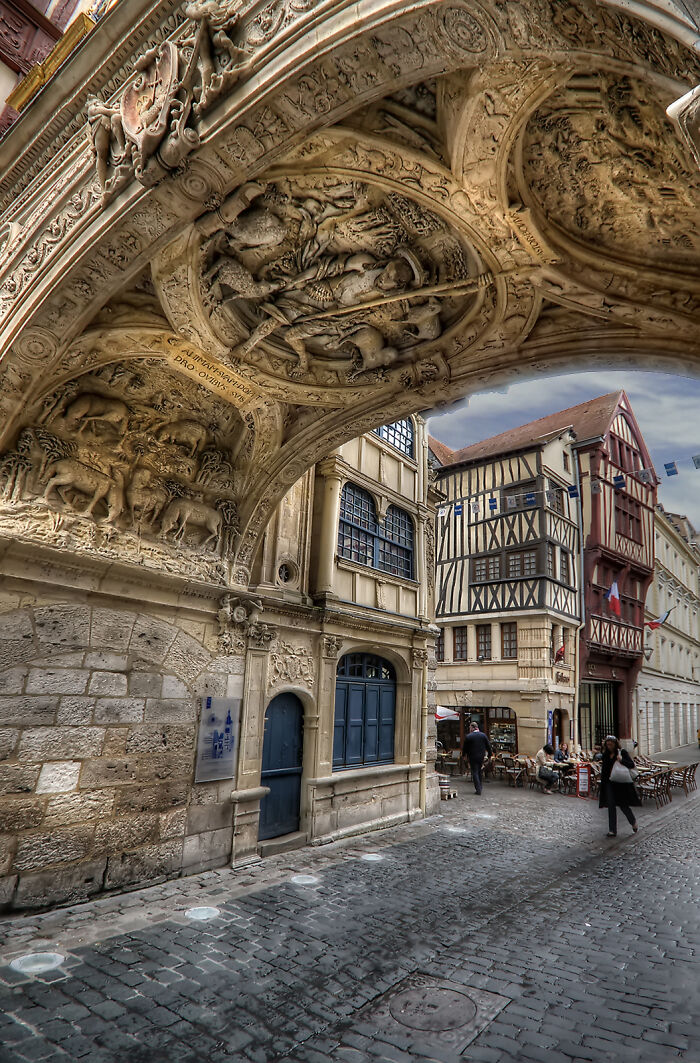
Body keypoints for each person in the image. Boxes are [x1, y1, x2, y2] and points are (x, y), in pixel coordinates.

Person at [599, 735, 641, 837]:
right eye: (607, 744)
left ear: (615, 744)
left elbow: (631, 765)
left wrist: (621, 760)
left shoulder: (622, 752)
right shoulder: (605, 755)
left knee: (623, 805)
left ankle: (633, 822)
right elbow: (604, 770)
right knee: (611, 805)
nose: (609, 746)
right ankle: (612, 830)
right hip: (609, 783)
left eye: (611, 744)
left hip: (620, 783)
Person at [462, 722, 492, 795]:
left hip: (472, 756)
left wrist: (464, 755)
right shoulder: (483, 735)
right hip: (481, 756)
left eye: (470, 728)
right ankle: (480, 787)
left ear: (472, 728)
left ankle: (478, 789)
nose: (469, 729)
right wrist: (489, 755)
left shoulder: (469, 736)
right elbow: (488, 746)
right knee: (479, 771)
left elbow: (465, 748)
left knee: (475, 772)